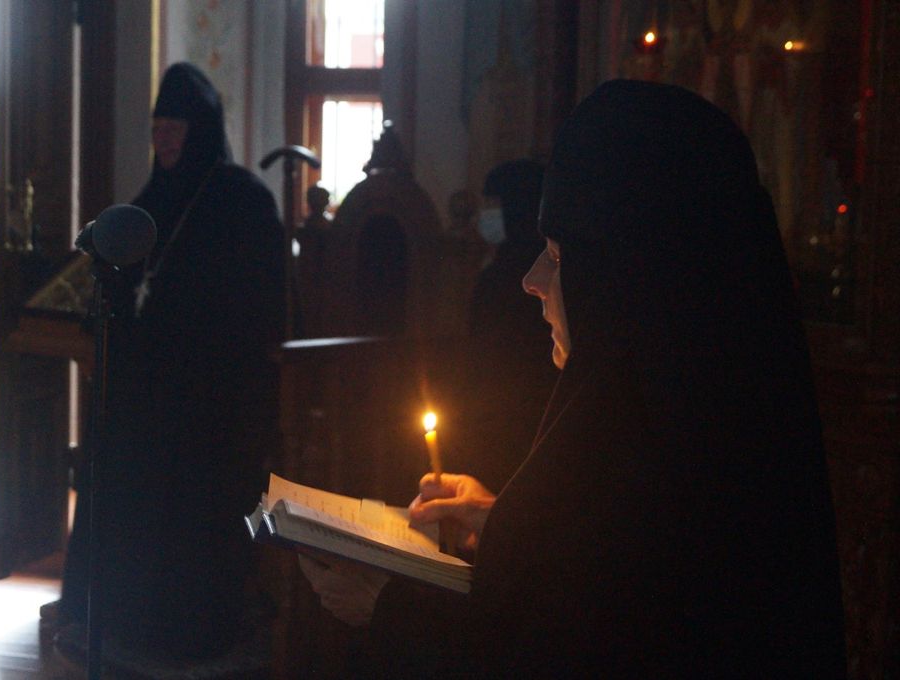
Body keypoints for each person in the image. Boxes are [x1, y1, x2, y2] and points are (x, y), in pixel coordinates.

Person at [299, 79, 846, 677]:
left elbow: (568, 652)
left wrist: (389, 610)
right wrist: (507, 528)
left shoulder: (689, 475)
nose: (531, 280)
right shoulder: (704, 422)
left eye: (560, 257)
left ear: (630, 282)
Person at [54, 62, 285, 661]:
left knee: (187, 489)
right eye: (157, 127)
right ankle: (115, 620)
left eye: (175, 128)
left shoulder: (241, 200)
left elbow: (261, 309)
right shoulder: (147, 205)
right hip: (143, 399)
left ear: (200, 130)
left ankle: (185, 632)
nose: (164, 139)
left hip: (210, 400)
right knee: (115, 463)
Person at [457, 158, 552, 491]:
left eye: (492, 206)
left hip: (513, 419)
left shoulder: (523, 275)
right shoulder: (500, 268)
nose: (484, 215)